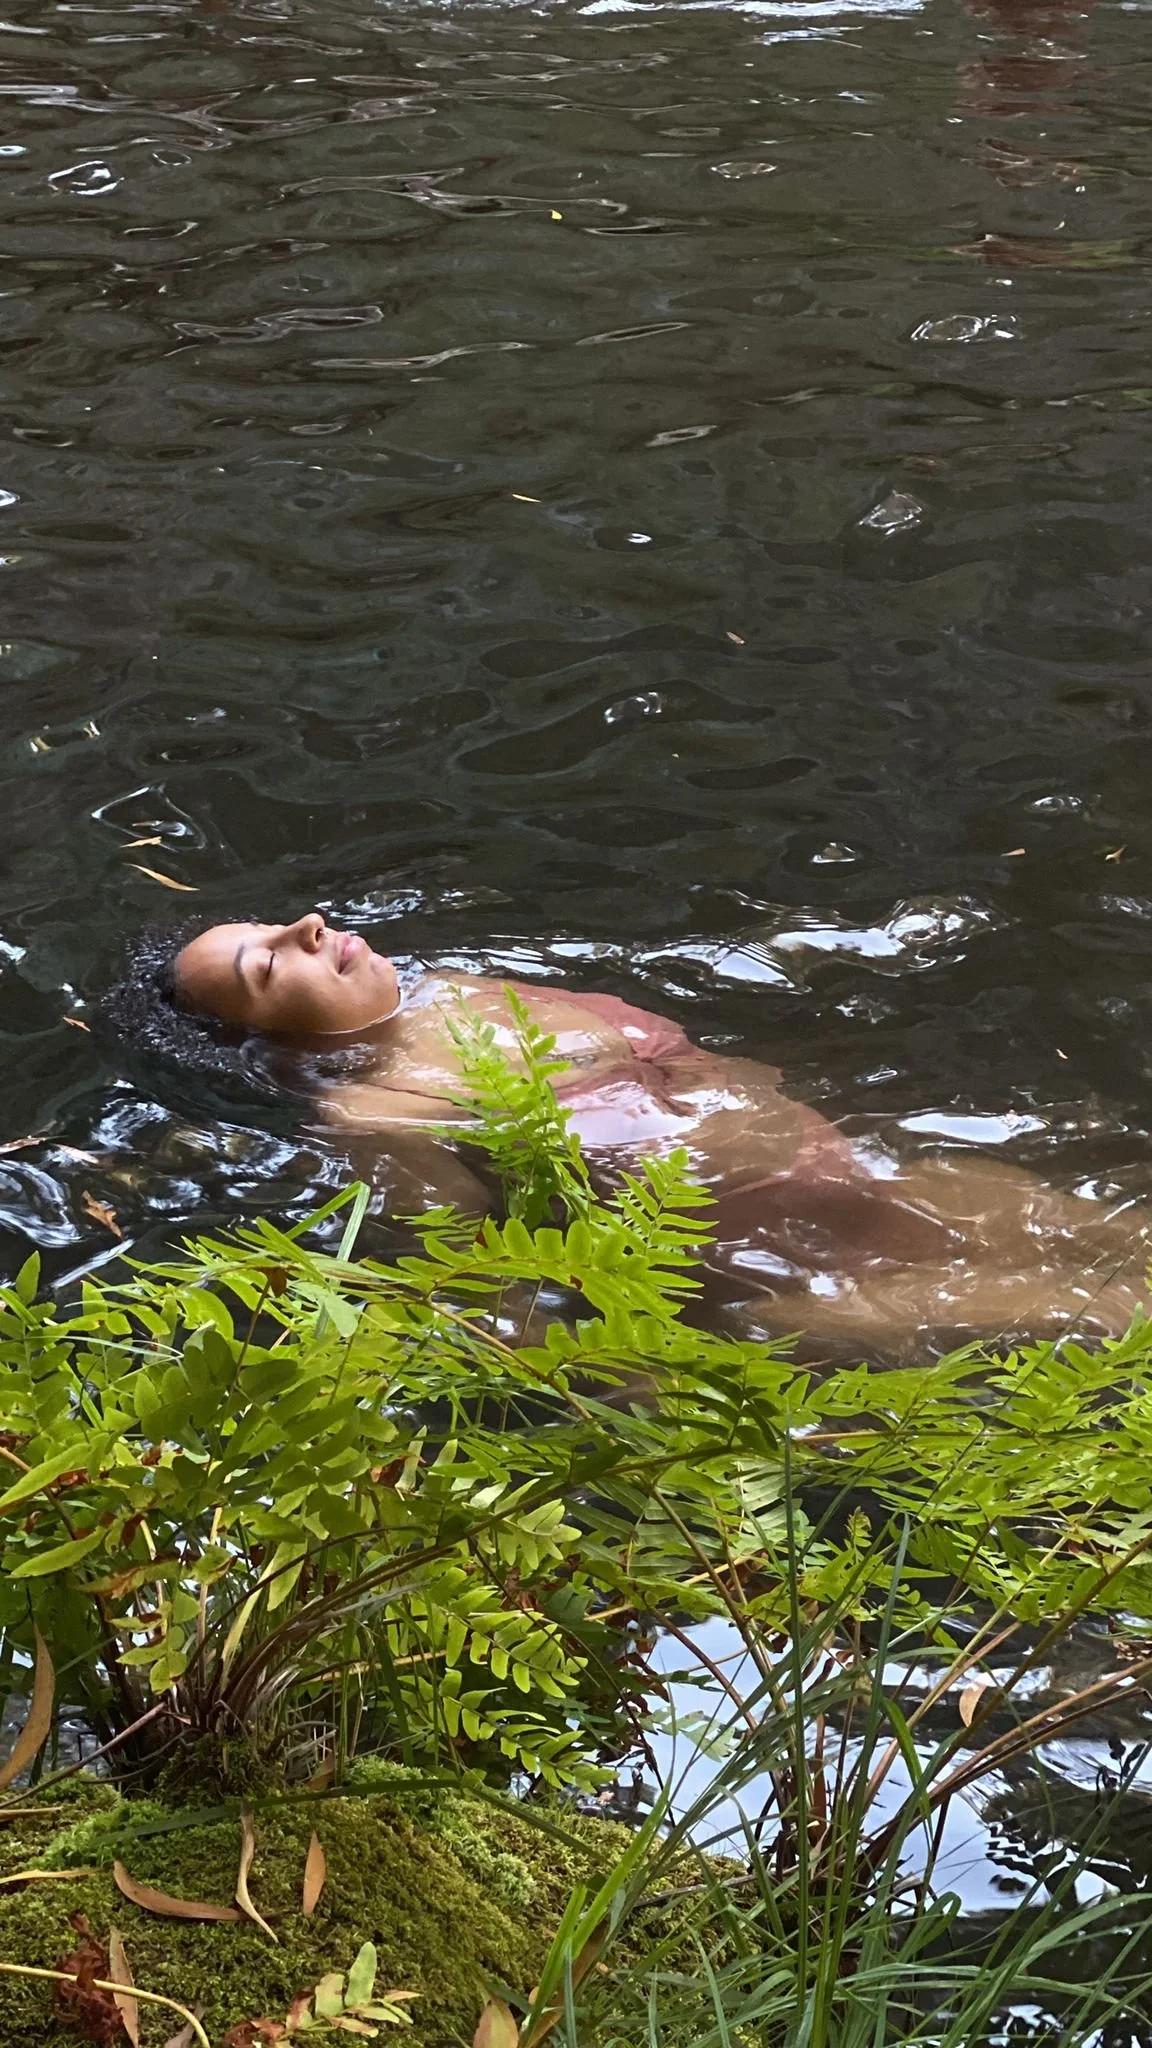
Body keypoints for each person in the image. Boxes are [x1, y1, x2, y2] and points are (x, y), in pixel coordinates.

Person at [101, 911, 1150, 1361]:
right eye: (265, 964)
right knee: (1105, 1309)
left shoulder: (461, 986)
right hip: (761, 1255)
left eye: (275, 922)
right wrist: (618, 1372)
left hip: (853, 1167)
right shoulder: (374, 1115)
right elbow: (476, 1275)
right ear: (266, 1038)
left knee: (1111, 1228)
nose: (306, 927)